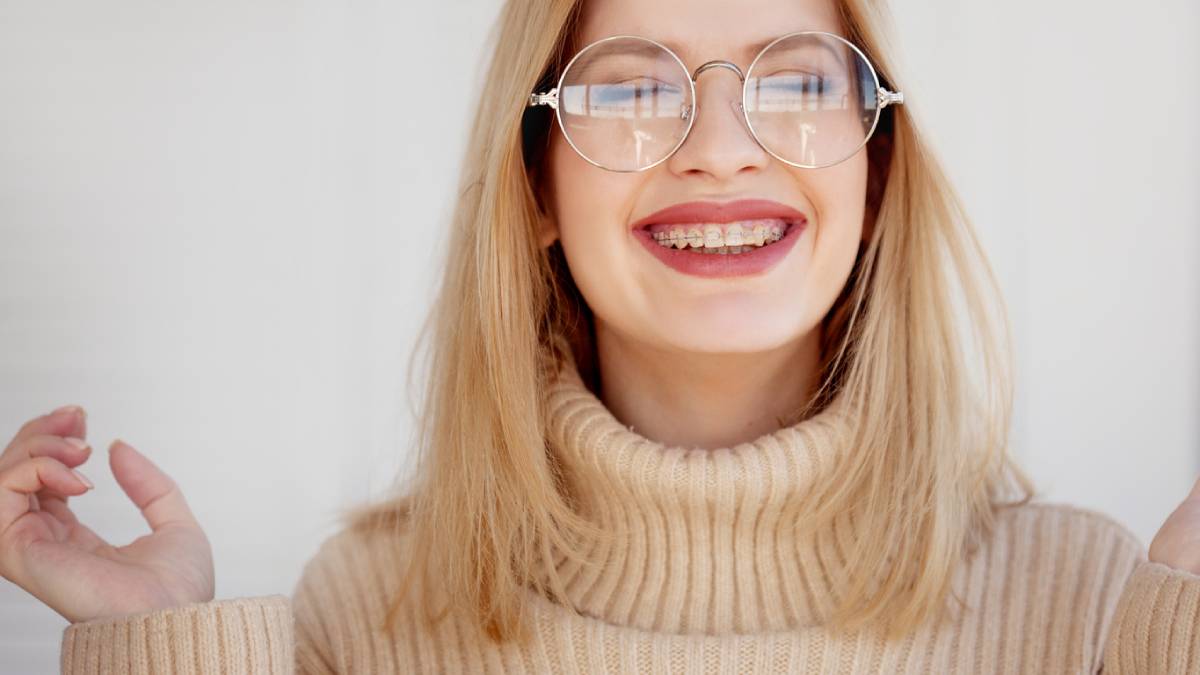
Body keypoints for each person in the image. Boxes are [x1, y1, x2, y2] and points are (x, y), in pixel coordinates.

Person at [3, 0, 1199, 672]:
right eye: (629, 88)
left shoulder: (1096, 606)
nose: (720, 145)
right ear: (534, 189)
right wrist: (146, 650)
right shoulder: (362, 616)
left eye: (794, 82)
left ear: (877, 173)